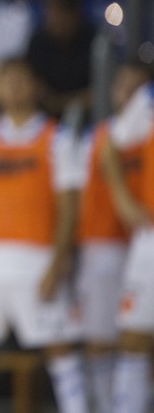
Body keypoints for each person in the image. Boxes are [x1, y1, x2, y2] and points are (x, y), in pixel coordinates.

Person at [0, 58, 87, 413]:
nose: (14, 88)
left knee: (59, 348)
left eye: (21, 81)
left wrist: (58, 263)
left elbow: (69, 209)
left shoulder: (58, 139)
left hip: (37, 261)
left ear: (37, 87)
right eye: (7, 81)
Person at [76, 61, 151, 413]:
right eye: (125, 87)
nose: (131, 96)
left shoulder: (144, 134)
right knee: (105, 337)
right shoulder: (102, 136)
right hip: (107, 241)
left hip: (140, 237)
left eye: (139, 89)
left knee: (136, 338)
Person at [100, 65, 154, 413]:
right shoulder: (148, 99)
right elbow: (111, 145)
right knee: (135, 338)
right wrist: (123, 199)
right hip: (151, 238)